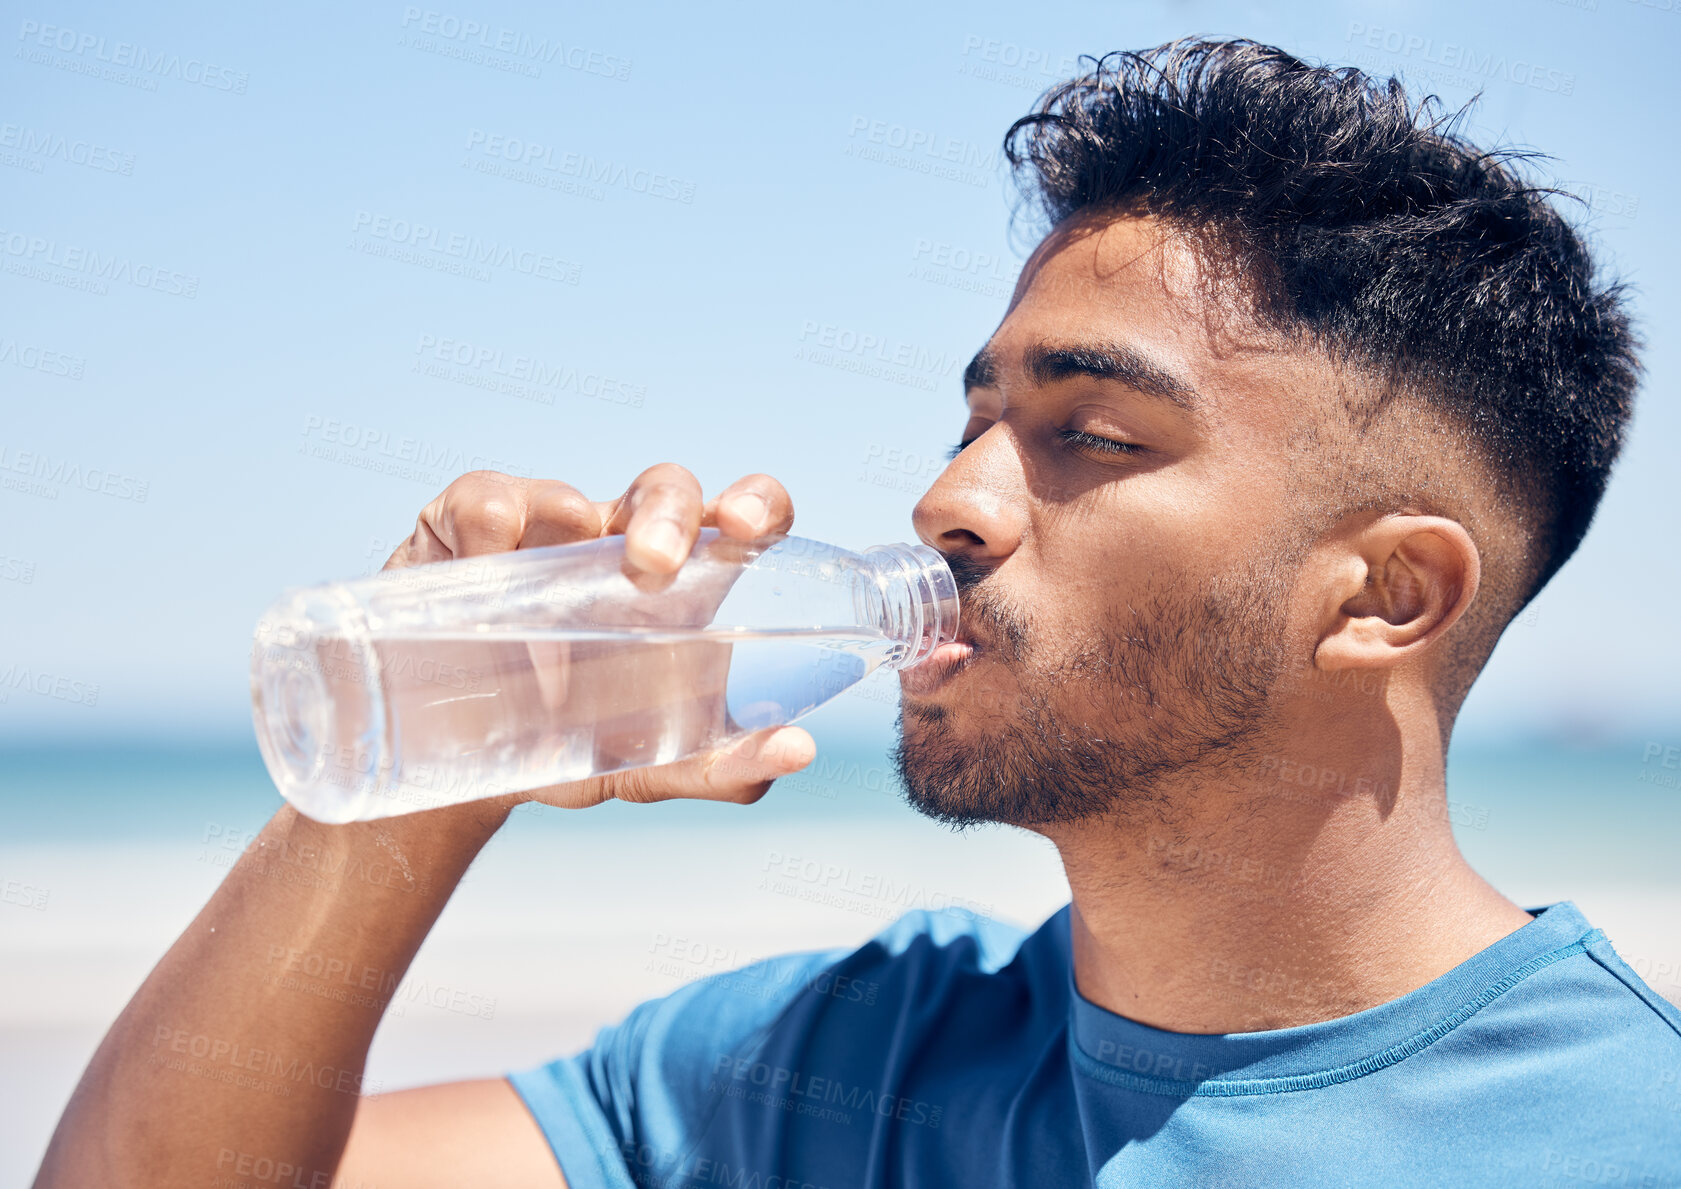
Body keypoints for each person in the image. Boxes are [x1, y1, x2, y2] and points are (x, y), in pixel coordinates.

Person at [35, 37, 1679, 1189]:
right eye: (972, 420)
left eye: (1089, 438)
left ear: (1387, 596)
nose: (949, 501)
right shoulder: (832, 1072)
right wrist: (427, 769)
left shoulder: (1624, 1134)